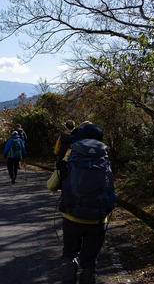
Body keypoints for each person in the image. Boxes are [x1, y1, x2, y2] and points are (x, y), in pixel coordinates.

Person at [59, 122, 113, 284]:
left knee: (70, 254)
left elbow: (51, 185)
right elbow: (110, 187)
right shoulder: (104, 158)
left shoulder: (70, 157)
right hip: (98, 219)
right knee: (89, 261)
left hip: (71, 217)